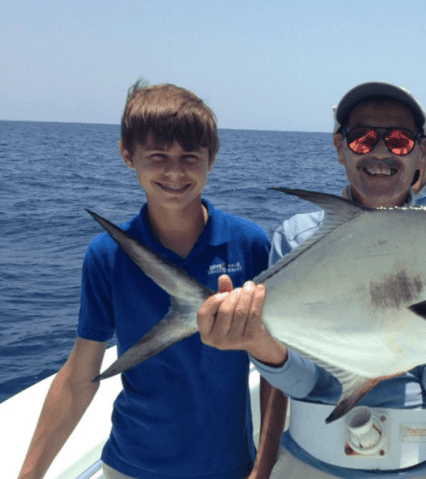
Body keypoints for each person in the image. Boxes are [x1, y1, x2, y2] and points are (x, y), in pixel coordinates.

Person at [197, 82, 426, 479]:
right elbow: (304, 384)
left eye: (398, 140)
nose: (380, 151)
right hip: (315, 464)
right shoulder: (296, 238)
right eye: (362, 138)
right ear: (340, 147)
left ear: (421, 152)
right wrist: (257, 341)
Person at [19, 81, 278, 479]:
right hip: (130, 466)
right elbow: (79, 376)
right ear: (127, 154)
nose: (175, 171)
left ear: (212, 158)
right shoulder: (107, 255)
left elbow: (276, 364)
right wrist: (28, 475)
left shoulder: (250, 243)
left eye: (190, 156)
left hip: (230, 468)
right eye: (158, 155)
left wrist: (263, 468)